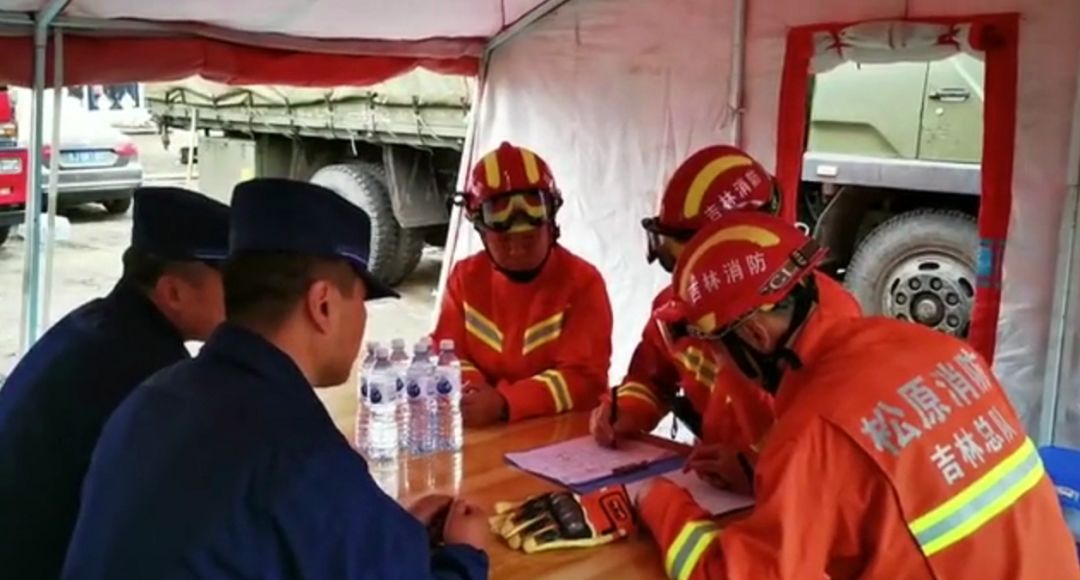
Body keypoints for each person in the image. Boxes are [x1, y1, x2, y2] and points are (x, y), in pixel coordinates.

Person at [61, 179, 490, 580]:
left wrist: (391, 529)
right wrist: (466, 555)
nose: (362, 320)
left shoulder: (150, 398)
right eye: (361, 301)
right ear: (322, 304)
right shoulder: (300, 451)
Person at [637, 212, 1079, 579]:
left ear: (753, 335)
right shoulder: (943, 350)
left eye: (716, 351)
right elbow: (894, 481)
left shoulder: (815, 428)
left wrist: (655, 500)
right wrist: (759, 476)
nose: (721, 367)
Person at [590, 145, 860, 491]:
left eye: (689, 256)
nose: (684, 280)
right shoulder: (677, 306)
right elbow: (653, 378)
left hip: (792, 504)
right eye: (674, 255)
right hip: (710, 489)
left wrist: (760, 471)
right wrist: (627, 409)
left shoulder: (830, 318)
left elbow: (839, 459)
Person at [0, 187, 229, 580]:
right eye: (232, 283)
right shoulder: (150, 373)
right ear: (173, 292)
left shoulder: (100, 324)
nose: (245, 299)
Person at [433, 142, 613, 427]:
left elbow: (584, 379)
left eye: (529, 236)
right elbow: (445, 353)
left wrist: (505, 403)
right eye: (505, 239)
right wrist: (476, 393)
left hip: (561, 439)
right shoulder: (465, 278)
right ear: (480, 229)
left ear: (551, 222)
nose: (517, 249)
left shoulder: (583, 283)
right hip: (485, 430)